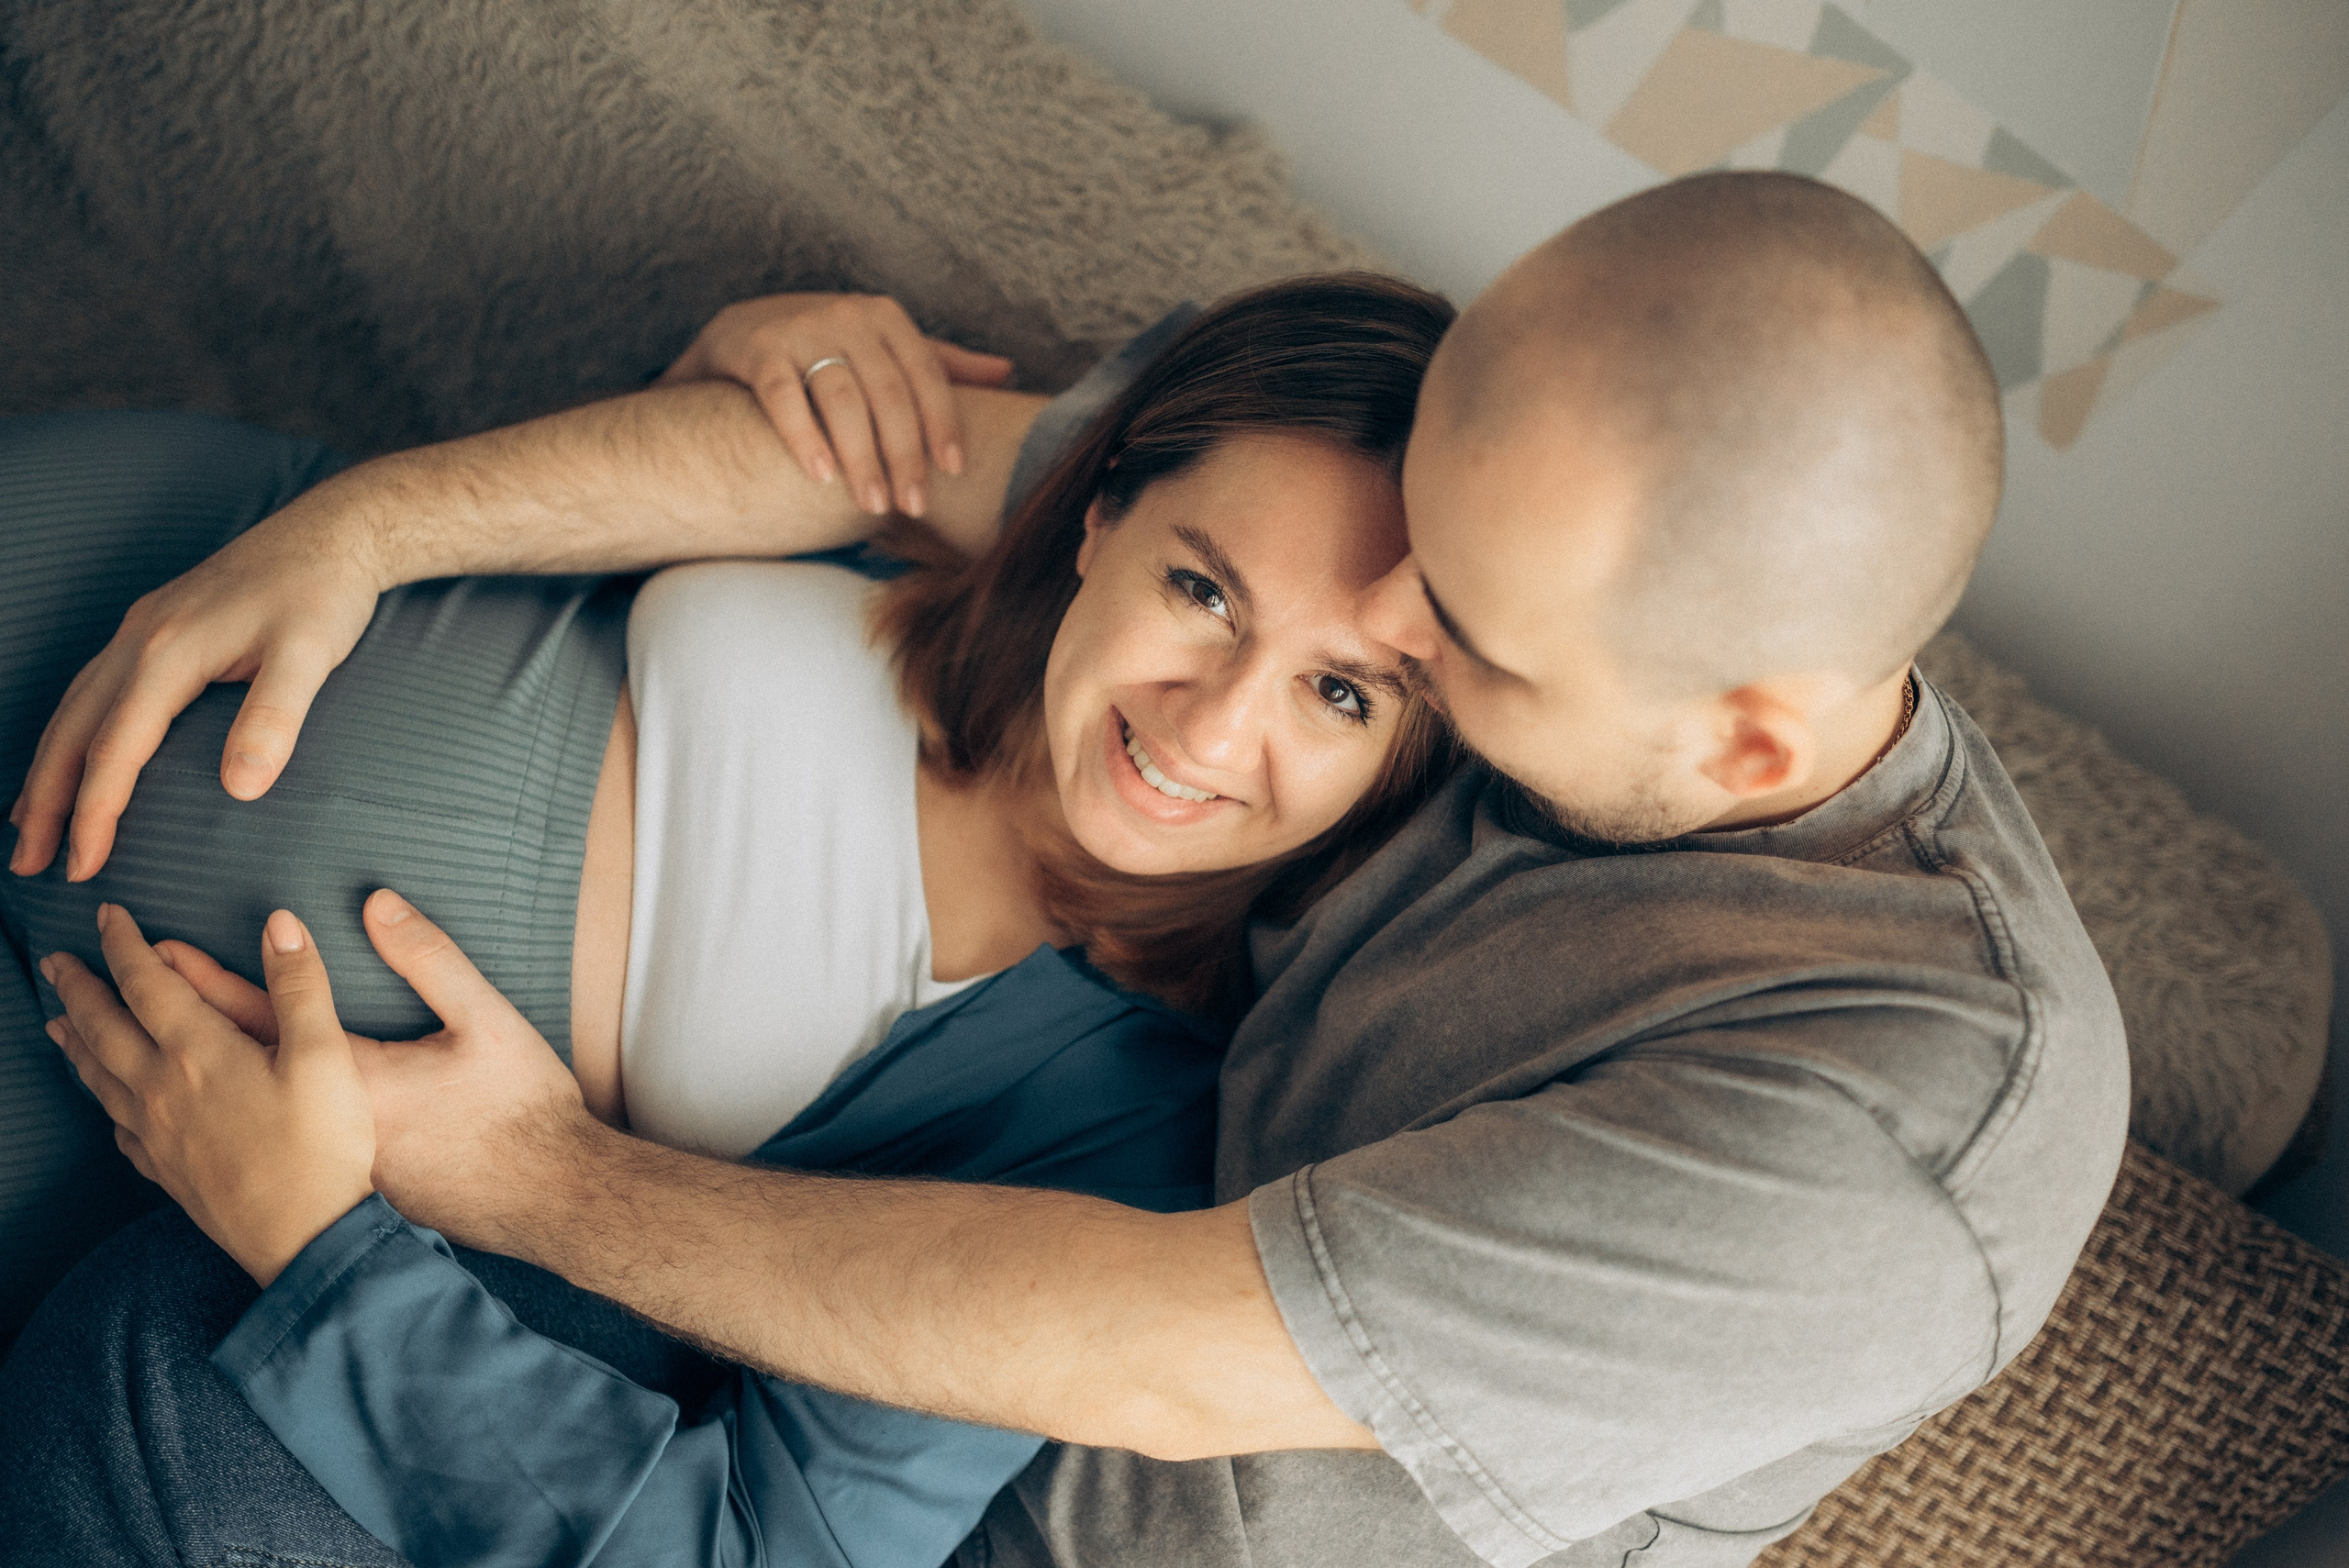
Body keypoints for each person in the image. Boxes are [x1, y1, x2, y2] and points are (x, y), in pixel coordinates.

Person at [10, 172, 2130, 1568]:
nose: (1236, 719)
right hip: (119, 615)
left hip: (923, 1466)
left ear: (1744, 737)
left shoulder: (1869, 1149)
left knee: (150, 1376)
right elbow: (966, 460)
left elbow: (1150, 1344)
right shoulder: (1538, 602)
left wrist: (472, 1194)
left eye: (1409, 674)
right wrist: (364, 527)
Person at [0, 278, 1458, 1566]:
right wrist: (723, 366)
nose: (1212, 725)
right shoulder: (916, 545)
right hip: (137, 560)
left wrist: (317, 1247)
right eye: (1202, 588)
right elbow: (634, 479)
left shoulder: (1120, 1138)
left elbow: (764, 1543)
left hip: (83, 1075)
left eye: (1343, 692)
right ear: (1098, 516)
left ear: (1408, 750)